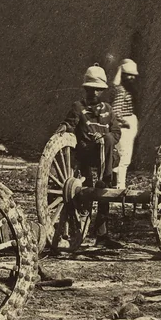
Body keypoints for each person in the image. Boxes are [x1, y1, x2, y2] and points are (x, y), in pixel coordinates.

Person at [51, 65, 122, 249]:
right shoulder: (78, 107)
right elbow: (69, 124)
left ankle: (102, 235)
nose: (94, 92)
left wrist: (106, 140)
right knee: (98, 188)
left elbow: (116, 132)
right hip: (87, 156)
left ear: (102, 90)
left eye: (98, 89)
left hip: (106, 158)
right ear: (86, 89)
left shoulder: (108, 110)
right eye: (91, 88)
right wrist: (61, 131)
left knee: (105, 184)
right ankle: (76, 232)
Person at [109, 59, 139, 190]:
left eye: (133, 75)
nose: (132, 78)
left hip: (126, 122)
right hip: (124, 125)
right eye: (128, 74)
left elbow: (114, 84)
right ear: (123, 75)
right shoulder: (121, 91)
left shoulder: (121, 89)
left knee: (120, 155)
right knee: (124, 156)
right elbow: (115, 111)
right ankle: (120, 186)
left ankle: (115, 183)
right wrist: (124, 122)